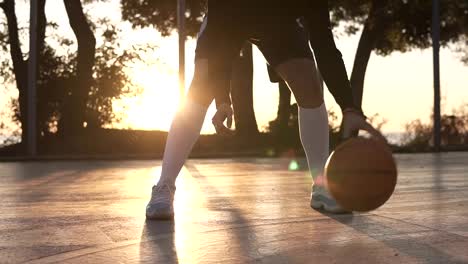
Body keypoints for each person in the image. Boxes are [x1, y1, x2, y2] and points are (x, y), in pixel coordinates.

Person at [146, 1, 385, 219]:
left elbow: (325, 46)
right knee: (201, 86)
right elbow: (219, 38)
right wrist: (222, 100)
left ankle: (322, 185)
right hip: (228, 20)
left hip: (277, 25)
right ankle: (164, 185)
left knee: (309, 84)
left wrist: (349, 108)